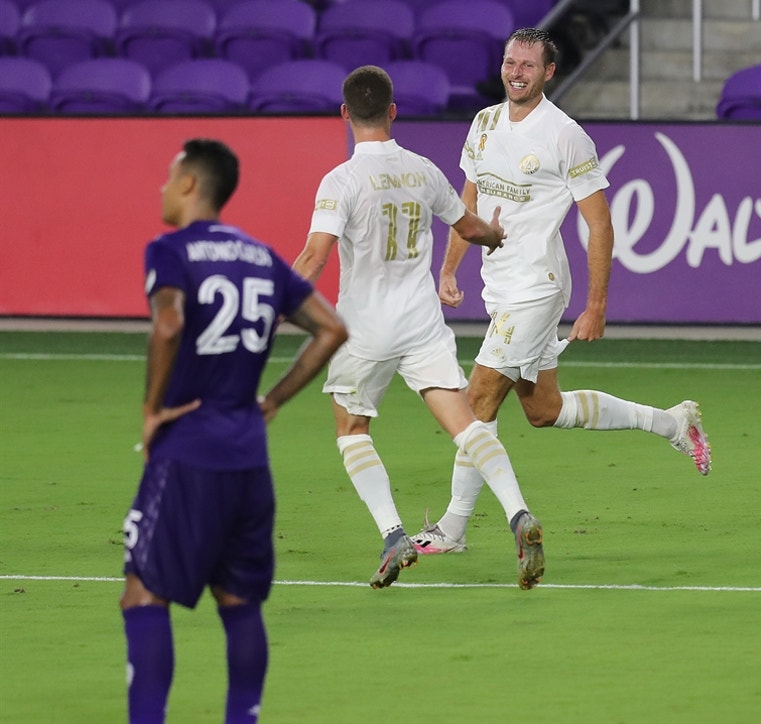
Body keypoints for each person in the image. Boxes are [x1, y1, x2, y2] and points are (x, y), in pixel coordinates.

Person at [411, 27, 711, 557]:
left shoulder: (565, 134)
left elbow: (599, 222)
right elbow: (469, 201)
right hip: (500, 286)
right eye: (510, 63)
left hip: (537, 286)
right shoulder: (482, 122)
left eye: (528, 65)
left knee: (475, 402)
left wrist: (596, 305)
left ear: (549, 72)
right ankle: (670, 422)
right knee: (543, 410)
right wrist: (450, 268)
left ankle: (453, 529)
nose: (516, 73)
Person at [292, 65, 546, 590]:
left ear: (344, 114)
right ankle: (519, 514)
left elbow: (315, 257)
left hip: (363, 327)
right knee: (468, 426)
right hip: (422, 324)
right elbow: (468, 225)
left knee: (352, 430)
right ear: (392, 111)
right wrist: (495, 236)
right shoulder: (423, 170)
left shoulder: (340, 181)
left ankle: (392, 534)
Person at [121, 138, 348, 723]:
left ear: (192, 184)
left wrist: (151, 410)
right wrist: (271, 399)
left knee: (143, 594)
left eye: (170, 177)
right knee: (240, 604)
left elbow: (168, 323)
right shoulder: (261, 256)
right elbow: (330, 329)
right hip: (250, 457)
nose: (163, 188)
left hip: (188, 454)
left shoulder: (169, 250)